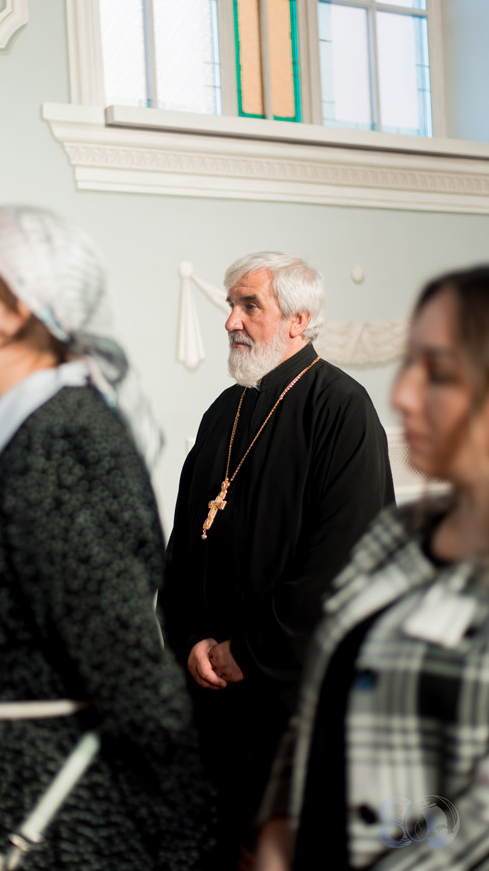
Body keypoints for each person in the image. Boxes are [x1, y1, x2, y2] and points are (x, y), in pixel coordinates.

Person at [0, 206, 212, 871]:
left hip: (40, 843)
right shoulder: (21, 439)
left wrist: (183, 852)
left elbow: (137, 687)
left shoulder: (64, 442)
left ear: (14, 311)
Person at [159, 251, 394, 868]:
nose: (231, 321)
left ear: (299, 320)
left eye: (249, 306)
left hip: (289, 698)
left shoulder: (341, 410)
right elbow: (184, 543)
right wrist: (190, 638)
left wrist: (249, 651)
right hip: (210, 691)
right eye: (231, 306)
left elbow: (343, 562)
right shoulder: (223, 412)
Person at [257, 264, 489, 871]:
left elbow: (473, 826)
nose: (401, 394)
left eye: (438, 373)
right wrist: (278, 833)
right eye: (408, 363)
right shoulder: (396, 535)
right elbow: (318, 700)